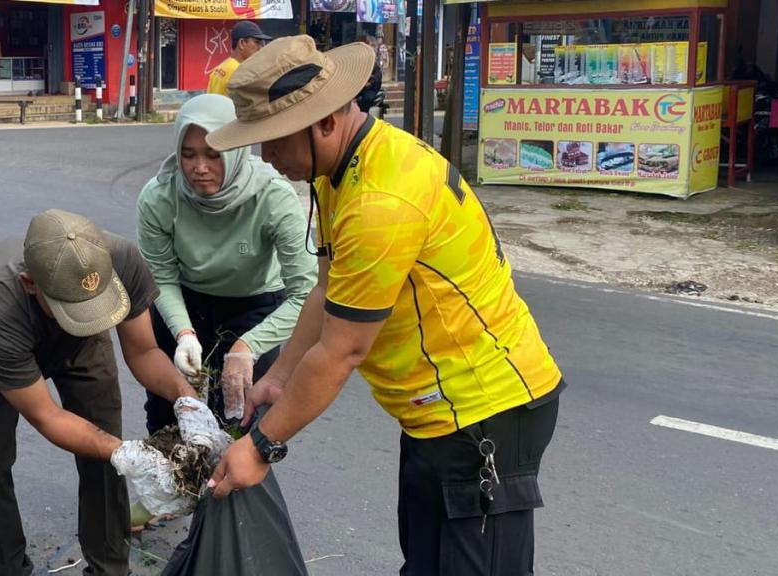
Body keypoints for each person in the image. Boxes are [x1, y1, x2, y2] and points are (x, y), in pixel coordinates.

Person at [206, 36, 566, 575]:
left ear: (325, 121)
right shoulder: (341, 170)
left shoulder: (380, 201)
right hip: (432, 415)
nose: (265, 156)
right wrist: (277, 377)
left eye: (273, 139)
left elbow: (343, 350)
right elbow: (327, 290)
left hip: (483, 413)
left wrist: (260, 447)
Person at [0, 209, 226, 576]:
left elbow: (143, 352)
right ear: (30, 284)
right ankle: (7, 566)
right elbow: (46, 415)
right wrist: (130, 453)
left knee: (104, 455)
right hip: (6, 348)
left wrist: (187, 400)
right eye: (77, 307)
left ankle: (109, 568)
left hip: (82, 344)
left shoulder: (121, 259)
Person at [136, 93, 317, 435]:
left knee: (240, 419)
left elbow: (305, 293)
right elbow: (160, 276)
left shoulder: (273, 197)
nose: (199, 168)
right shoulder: (159, 197)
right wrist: (184, 333)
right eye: (187, 155)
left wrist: (250, 345)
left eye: (213, 155)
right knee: (171, 413)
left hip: (255, 306)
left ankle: (231, 487)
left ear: (236, 150)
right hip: (184, 302)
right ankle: (175, 488)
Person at [207, 21, 271, 96]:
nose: (260, 48)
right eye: (257, 42)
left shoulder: (220, 68)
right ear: (242, 43)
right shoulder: (240, 73)